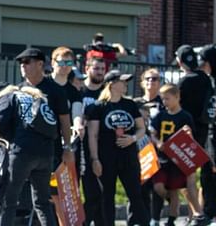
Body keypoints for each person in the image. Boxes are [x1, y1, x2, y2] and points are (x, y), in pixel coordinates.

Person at [0, 83, 67, 226]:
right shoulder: (38, 99)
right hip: (46, 154)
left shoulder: (9, 97)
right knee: (42, 202)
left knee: (8, 201)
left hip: (22, 152)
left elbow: (0, 122)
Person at [86, 69, 149, 226]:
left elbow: (142, 128)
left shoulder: (130, 104)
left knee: (136, 194)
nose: (126, 84)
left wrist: (133, 138)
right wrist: (95, 159)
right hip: (107, 157)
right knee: (107, 196)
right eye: (123, 81)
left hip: (129, 157)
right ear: (112, 84)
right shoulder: (98, 107)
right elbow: (92, 135)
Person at [149, 84, 208, 226]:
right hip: (162, 159)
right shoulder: (160, 115)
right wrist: (157, 143)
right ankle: (173, 205)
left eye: (167, 99)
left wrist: (188, 134)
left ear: (177, 97)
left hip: (178, 159)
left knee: (175, 188)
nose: (164, 102)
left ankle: (172, 218)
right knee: (159, 187)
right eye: (163, 99)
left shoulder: (185, 116)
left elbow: (190, 139)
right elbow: (153, 134)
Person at [197, 45, 216, 223]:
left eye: (205, 64)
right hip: (209, 132)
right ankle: (209, 211)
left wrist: (209, 109)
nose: (203, 67)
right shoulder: (210, 81)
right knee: (206, 174)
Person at [133, 68, 165, 225]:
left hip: (159, 151)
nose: (151, 82)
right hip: (139, 152)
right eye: (148, 79)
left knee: (158, 188)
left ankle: (155, 219)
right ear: (142, 82)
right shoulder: (135, 103)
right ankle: (137, 220)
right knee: (138, 189)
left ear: (160, 83)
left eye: (155, 79)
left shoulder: (164, 103)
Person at [79, 56, 107, 226]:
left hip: (103, 147)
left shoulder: (106, 93)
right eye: (96, 68)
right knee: (91, 192)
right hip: (82, 149)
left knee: (102, 193)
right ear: (87, 69)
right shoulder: (80, 91)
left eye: (103, 69)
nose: (100, 72)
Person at [50, 46, 83, 167]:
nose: (65, 66)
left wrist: (78, 124)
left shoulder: (73, 91)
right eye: (61, 62)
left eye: (69, 62)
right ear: (53, 63)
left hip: (62, 139)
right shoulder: (43, 84)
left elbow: (77, 112)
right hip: (42, 138)